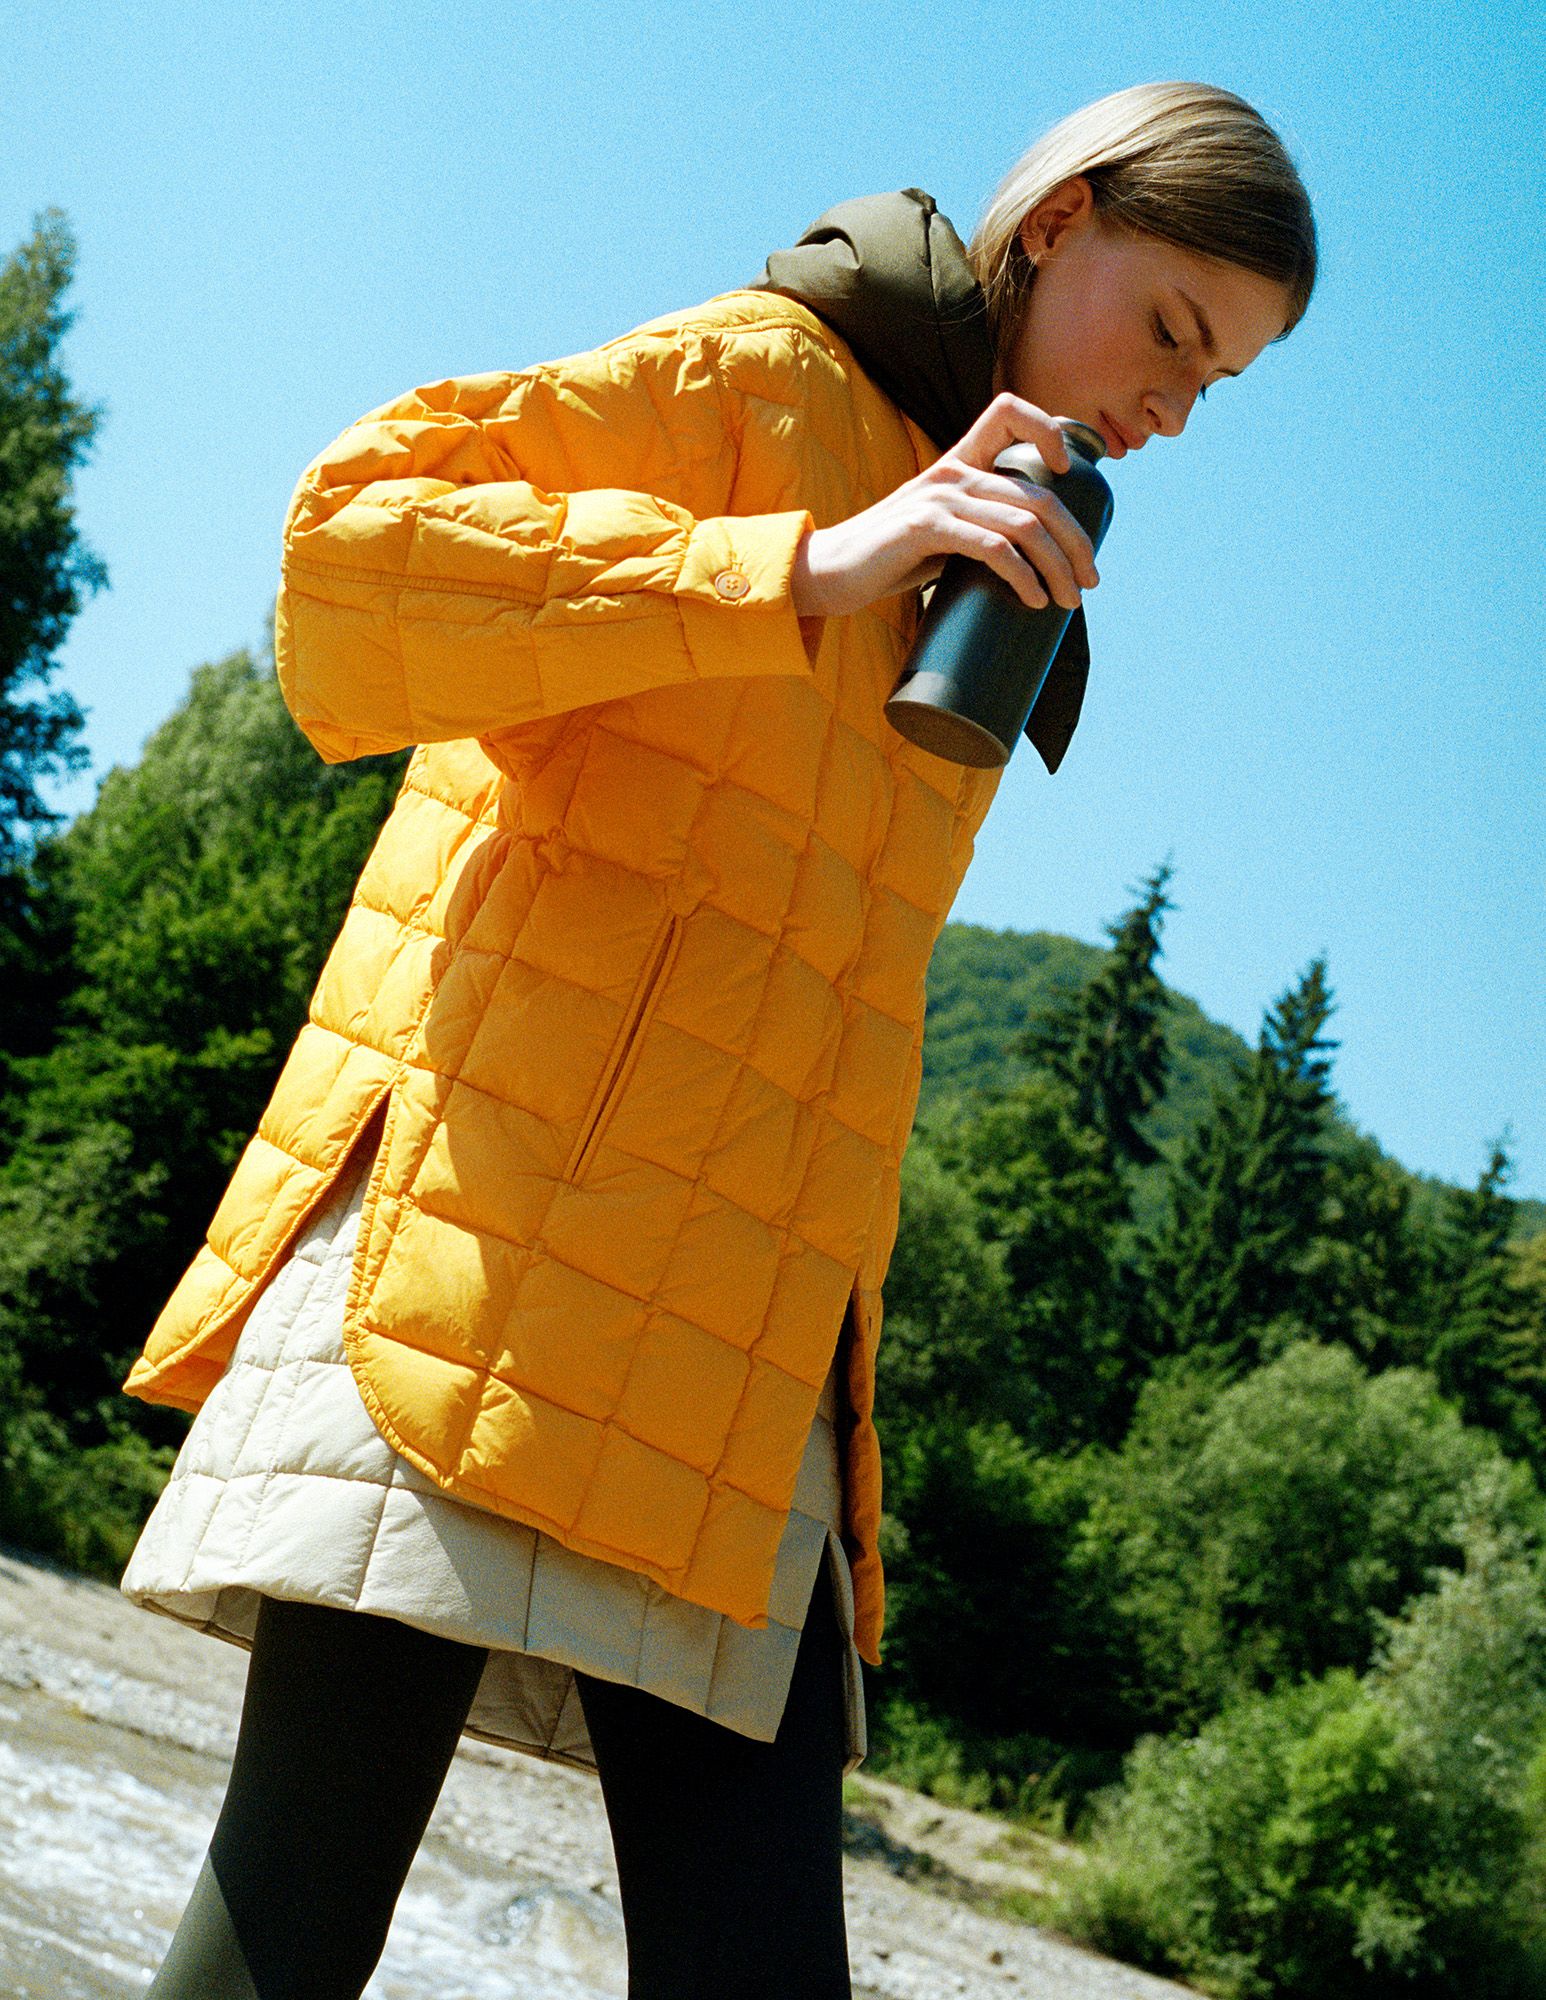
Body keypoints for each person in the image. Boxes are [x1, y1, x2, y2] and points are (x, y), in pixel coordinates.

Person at [120, 78, 1316, 2000]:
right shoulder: (765, 380)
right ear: (1054, 222)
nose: (1173, 407)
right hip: (485, 1253)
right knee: (296, 1915)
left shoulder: (998, 523)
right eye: (1171, 332)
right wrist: (807, 564)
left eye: (1219, 383)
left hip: (743, 1350)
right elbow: (355, 543)